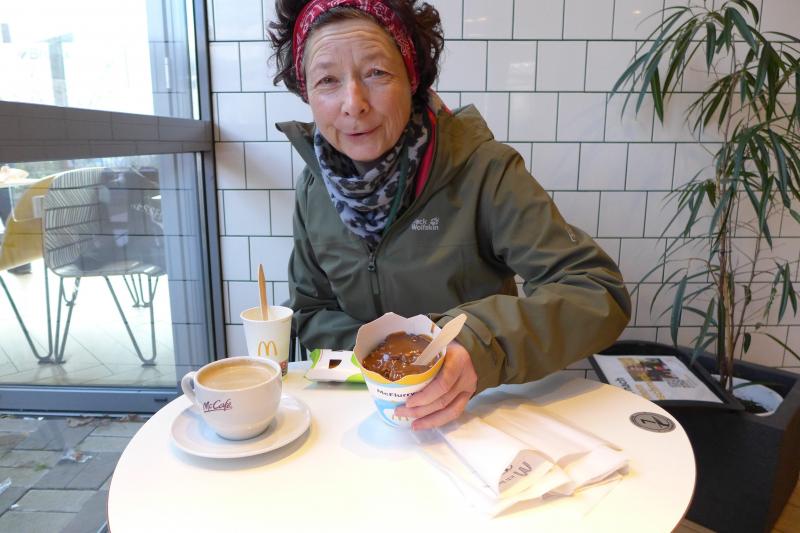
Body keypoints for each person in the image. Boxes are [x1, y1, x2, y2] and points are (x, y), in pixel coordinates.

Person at [269, 0, 631, 430]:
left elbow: (596, 292)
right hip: (364, 420)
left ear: (412, 77)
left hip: (479, 416)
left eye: (376, 73)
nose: (354, 103)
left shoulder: (484, 170)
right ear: (306, 93)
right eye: (327, 80)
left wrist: (477, 347)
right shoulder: (315, 188)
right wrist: (384, 360)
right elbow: (311, 310)